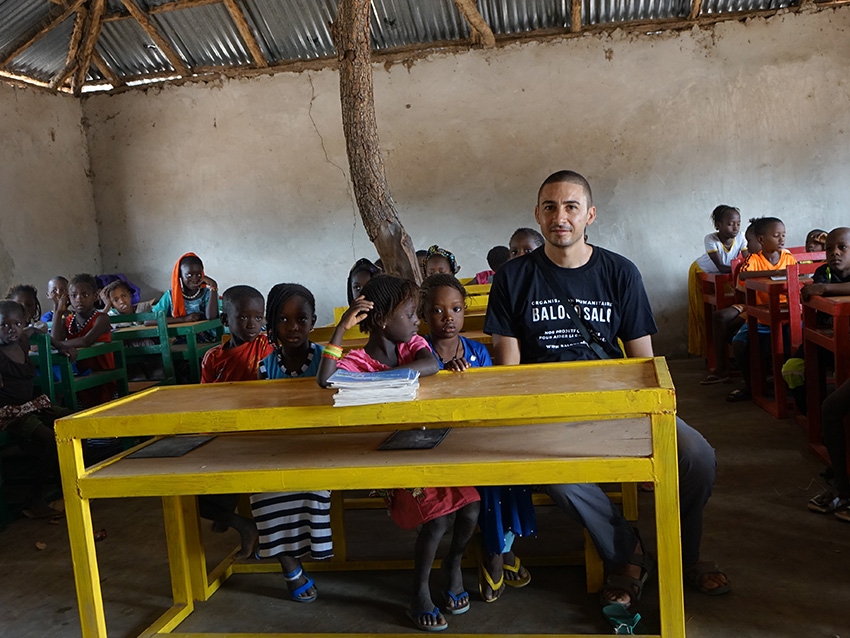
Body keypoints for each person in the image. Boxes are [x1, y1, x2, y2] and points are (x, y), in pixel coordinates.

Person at [484, 170, 729, 610]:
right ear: (537, 215)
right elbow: (509, 365)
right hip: (550, 411)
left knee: (697, 457)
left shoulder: (619, 272)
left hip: (619, 402)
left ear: (590, 215)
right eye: (550, 207)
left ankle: (682, 556)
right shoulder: (513, 278)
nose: (561, 217)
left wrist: (654, 413)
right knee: (554, 473)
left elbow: (642, 361)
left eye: (571, 207)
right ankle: (627, 554)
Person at [317, 275, 478, 631]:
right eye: (410, 313)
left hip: (430, 448)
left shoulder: (412, 346)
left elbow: (431, 364)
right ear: (383, 320)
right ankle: (419, 591)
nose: (417, 320)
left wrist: (384, 380)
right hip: (391, 457)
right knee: (437, 520)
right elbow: (325, 379)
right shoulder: (357, 360)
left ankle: (452, 564)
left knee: (471, 508)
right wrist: (342, 328)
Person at [419, 273, 536, 602]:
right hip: (438, 445)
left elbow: (487, 405)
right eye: (438, 310)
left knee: (510, 474)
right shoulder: (417, 352)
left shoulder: (476, 353)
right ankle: (496, 554)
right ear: (423, 314)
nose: (448, 318)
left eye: (456, 309)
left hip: (475, 438)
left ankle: (500, 547)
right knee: (486, 480)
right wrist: (446, 383)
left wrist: (468, 385)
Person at [251, 283, 330, 604]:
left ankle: (310, 550)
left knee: (314, 483)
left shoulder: (325, 359)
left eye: (301, 319)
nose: (293, 327)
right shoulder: (265, 366)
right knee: (263, 487)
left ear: (313, 321)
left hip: (318, 443)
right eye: (284, 320)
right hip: (277, 444)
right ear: (272, 323)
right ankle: (289, 565)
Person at [197, 286, 269, 559]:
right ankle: (241, 523)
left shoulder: (267, 348)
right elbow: (205, 401)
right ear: (226, 320)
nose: (252, 324)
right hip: (222, 434)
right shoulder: (213, 358)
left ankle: (235, 518)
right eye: (243, 317)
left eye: (258, 318)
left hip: (259, 432)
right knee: (190, 496)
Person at [0, 300, 71, 518]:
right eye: (4, 325)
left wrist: (61, 345)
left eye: (17, 323)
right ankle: (34, 500)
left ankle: (69, 487)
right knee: (50, 439)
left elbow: (37, 330)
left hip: (29, 406)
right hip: (8, 414)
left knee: (73, 423)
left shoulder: (21, 340)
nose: (12, 329)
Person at [726, 216, 797, 402]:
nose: (782, 239)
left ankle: (791, 384)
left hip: (786, 314)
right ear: (761, 240)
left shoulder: (788, 258)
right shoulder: (754, 259)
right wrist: (775, 272)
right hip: (760, 316)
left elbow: (797, 280)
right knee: (739, 345)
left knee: (794, 344)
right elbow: (744, 274)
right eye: (776, 235)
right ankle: (751, 385)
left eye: (783, 235)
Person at [701, 220, 762, 384]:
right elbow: (744, 295)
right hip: (748, 304)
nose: (747, 246)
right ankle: (723, 366)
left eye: (750, 242)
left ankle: (742, 363)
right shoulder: (750, 262)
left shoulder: (786, 258)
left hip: (765, 307)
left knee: (730, 327)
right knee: (720, 317)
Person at [688, 205, 747, 359]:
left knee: (727, 310)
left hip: (725, 276)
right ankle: (709, 355)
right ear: (718, 225)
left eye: (738, 223)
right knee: (702, 313)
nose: (735, 228)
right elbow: (720, 266)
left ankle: (729, 355)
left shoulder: (741, 237)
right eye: (730, 224)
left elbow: (749, 260)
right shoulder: (711, 239)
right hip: (703, 274)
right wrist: (743, 270)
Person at [51, 273, 116, 407]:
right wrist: (58, 311)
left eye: (85, 295)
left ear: (95, 296)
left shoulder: (101, 318)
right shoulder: (68, 321)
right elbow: (54, 339)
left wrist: (56, 345)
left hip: (103, 375)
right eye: (74, 296)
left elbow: (86, 341)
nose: (79, 299)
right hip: (78, 374)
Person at [152, 253, 219, 325]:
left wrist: (213, 285)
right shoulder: (171, 295)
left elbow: (211, 317)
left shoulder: (208, 294)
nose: (195, 279)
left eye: (199, 275)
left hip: (205, 335)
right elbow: (148, 320)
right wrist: (184, 319)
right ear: (180, 275)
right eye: (189, 275)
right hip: (178, 335)